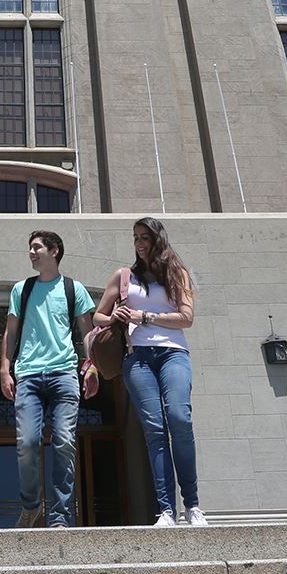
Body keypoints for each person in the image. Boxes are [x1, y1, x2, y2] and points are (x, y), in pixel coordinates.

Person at [94, 217, 206, 527]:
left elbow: (186, 318)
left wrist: (146, 316)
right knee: (155, 431)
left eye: (145, 237)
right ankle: (166, 510)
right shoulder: (124, 275)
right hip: (137, 358)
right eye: (135, 238)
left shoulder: (176, 273)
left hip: (173, 355)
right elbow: (98, 317)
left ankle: (192, 505)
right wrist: (114, 314)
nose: (139, 243)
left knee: (180, 420)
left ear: (158, 239)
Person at [1, 229, 95, 528]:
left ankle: (60, 515)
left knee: (64, 442)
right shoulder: (22, 289)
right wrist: (5, 367)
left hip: (64, 373)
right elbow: (11, 331)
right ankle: (32, 506)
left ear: (54, 251)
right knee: (27, 441)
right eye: (30, 247)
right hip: (28, 374)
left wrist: (92, 367)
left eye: (37, 247)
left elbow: (87, 332)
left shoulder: (73, 288)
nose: (32, 252)